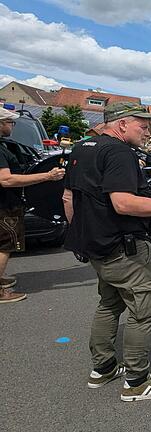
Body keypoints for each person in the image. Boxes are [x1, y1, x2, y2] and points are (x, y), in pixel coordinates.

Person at [62, 102, 151, 401]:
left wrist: (82, 235)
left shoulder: (82, 147)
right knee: (145, 309)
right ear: (122, 124)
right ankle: (137, 382)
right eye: (143, 125)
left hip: (97, 246)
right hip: (123, 248)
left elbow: (67, 198)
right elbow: (123, 203)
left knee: (110, 304)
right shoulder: (119, 152)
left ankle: (103, 368)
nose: (148, 131)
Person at [0, 107, 66, 303]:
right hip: (4, 204)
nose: (12, 126)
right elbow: (6, 180)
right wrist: (48, 176)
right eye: (10, 123)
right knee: (4, 246)